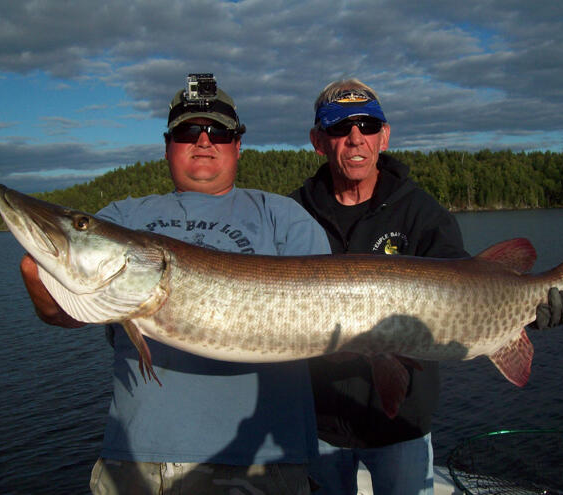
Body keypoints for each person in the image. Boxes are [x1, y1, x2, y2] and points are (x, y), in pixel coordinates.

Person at [20, 73, 330, 495]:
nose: (204, 141)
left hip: (263, 458)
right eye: (188, 131)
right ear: (167, 147)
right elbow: (65, 314)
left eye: (218, 132)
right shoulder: (122, 216)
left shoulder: (282, 216)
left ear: (238, 146)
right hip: (140, 456)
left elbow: (330, 314)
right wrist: (42, 279)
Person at [290, 79, 563, 494]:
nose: (355, 139)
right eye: (339, 128)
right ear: (318, 140)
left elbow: (467, 289)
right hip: (315, 424)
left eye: (368, 125)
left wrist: (531, 310)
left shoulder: (423, 213)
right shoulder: (291, 214)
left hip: (402, 426)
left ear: (384, 136)